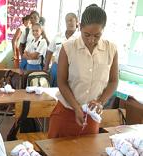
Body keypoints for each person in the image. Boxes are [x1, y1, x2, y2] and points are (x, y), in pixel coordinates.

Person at [48, 4, 118, 138]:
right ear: (80, 27)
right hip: (66, 113)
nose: (91, 40)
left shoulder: (111, 49)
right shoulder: (68, 47)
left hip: (91, 116)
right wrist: (76, 107)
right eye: (87, 35)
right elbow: (62, 82)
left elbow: (114, 81)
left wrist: (100, 101)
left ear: (103, 30)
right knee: (54, 154)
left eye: (97, 35)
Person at [44, 13, 78, 87]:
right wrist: (46, 67)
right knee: (53, 90)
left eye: (71, 20)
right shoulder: (58, 36)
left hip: (72, 69)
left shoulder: (80, 38)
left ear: (77, 21)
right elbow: (50, 50)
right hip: (56, 67)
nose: (69, 23)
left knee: (67, 90)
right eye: (67, 21)